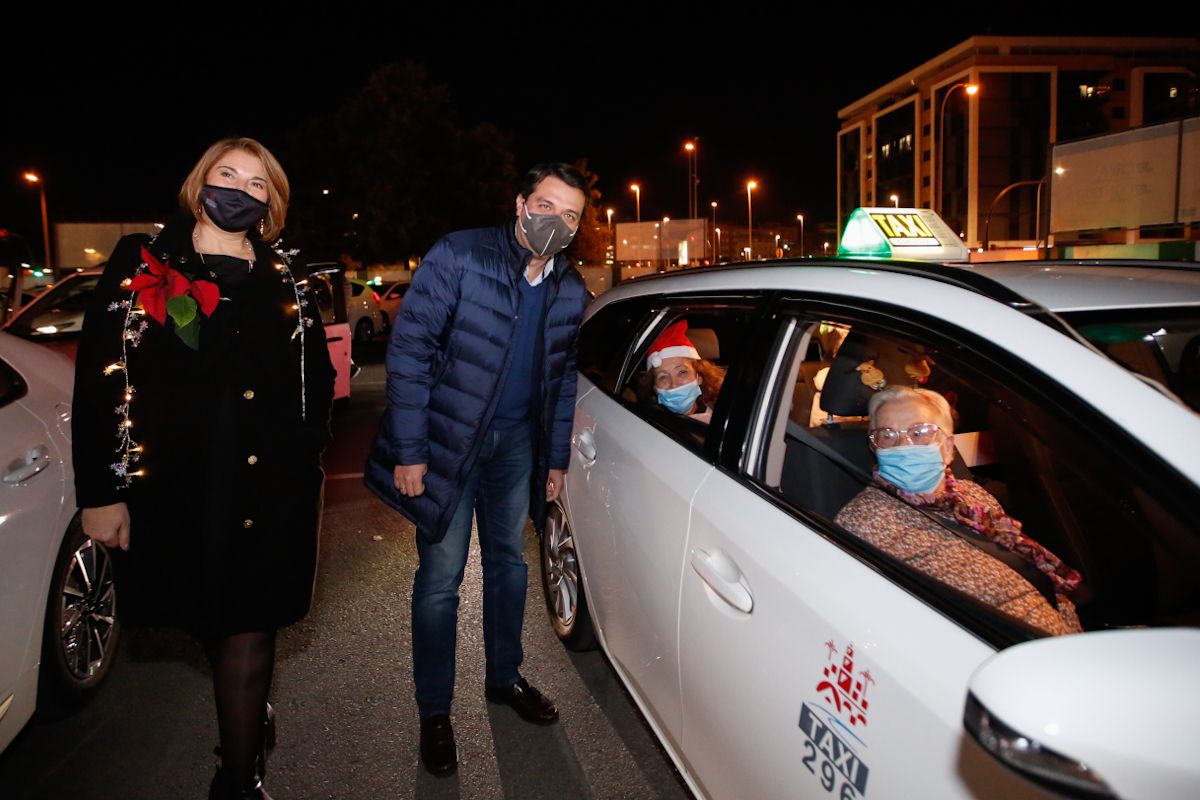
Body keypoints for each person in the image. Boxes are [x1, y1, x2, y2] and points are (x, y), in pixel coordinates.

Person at [73, 137, 334, 800]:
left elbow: (315, 374)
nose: (239, 191)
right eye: (228, 175)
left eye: (257, 185)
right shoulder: (147, 261)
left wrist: (309, 454)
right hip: (183, 484)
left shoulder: (287, 275)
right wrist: (101, 493)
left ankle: (238, 775)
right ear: (200, 182)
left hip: (271, 484)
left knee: (251, 620)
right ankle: (244, 707)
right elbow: (101, 381)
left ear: (271, 204)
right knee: (208, 615)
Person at [363, 163, 590, 776]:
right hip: (447, 444)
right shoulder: (460, 256)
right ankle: (434, 712)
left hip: (517, 445)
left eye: (570, 215)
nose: (556, 221)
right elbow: (408, 350)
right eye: (546, 205)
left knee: (510, 567)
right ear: (520, 204)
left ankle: (504, 677)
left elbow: (562, 379)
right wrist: (411, 450)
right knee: (440, 579)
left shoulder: (571, 289)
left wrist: (556, 458)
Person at [835, 386, 1083, 636]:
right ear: (875, 448)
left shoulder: (973, 496)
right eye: (887, 436)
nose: (903, 446)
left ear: (948, 447)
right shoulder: (862, 521)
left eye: (920, 432)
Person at [643, 320, 725, 423]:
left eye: (682, 372)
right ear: (655, 387)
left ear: (698, 376)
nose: (674, 384)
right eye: (663, 377)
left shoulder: (722, 409)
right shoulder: (649, 423)